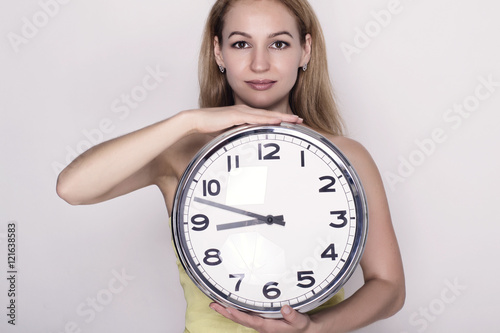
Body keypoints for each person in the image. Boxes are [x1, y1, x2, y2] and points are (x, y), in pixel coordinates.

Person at [56, 0, 405, 332]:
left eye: (279, 44)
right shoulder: (181, 154)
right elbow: (72, 187)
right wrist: (188, 121)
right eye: (241, 44)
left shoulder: (346, 157)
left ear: (306, 50)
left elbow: (388, 287)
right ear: (218, 52)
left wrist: (315, 328)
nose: (259, 64)